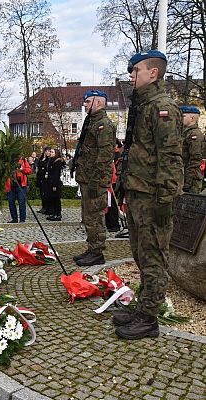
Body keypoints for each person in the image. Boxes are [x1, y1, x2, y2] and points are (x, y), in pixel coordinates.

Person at [114, 50, 183, 340]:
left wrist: (165, 202)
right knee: (140, 254)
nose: (132, 75)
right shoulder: (143, 106)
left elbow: (170, 159)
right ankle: (143, 307)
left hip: (154, 197)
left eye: (137, 70)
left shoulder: (162, 108)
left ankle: (149, 319)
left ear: (153, 73)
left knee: (154, 257)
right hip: (139, 193)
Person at [73, 90, 116, 267]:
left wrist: (96, 181)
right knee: (88, 216)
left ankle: (97, 252)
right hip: (87, 178)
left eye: (88, 102)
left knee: (95, 216)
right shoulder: (92, 123)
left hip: (95, 180)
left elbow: (105, 157)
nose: (85, 105)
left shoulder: (103, 124)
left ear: (98, 102)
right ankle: (92, 248)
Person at [180, 105, 204, 194]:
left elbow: (195, 159)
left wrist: (187, 181)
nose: (180, 118)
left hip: (191, 180)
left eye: (183, 116)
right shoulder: (185, 133)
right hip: (182, 175)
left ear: (192, 118)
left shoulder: (195, 135)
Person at [5, 157, 32, 223]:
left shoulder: (23, 160)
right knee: (11, 202)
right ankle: (14, 219)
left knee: (21, 202)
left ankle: (22, 219)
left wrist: (22, 169)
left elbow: (29, 171)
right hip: (10, 185)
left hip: (21, 185)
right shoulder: (6, 159)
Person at [44, 149, 65, 221]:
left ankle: (58, 214)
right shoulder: (51, 160)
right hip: (50, 182)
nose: (50, 153)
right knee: (52, 199)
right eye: (51, 152)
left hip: (55, 183)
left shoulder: (57, 162)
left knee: (56, 199)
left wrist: (54, 185)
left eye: (52, 152)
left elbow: (56, 175)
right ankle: (53, 213)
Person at [36, 147, 51, 214]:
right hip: (40, 178)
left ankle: (47, 207)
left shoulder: (49, 160)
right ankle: (43, 206)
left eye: (48, 151)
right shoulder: (41, 158)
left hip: (46, 179)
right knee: (42, 193)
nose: (47, 152)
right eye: (46, 151)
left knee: (46, 194)